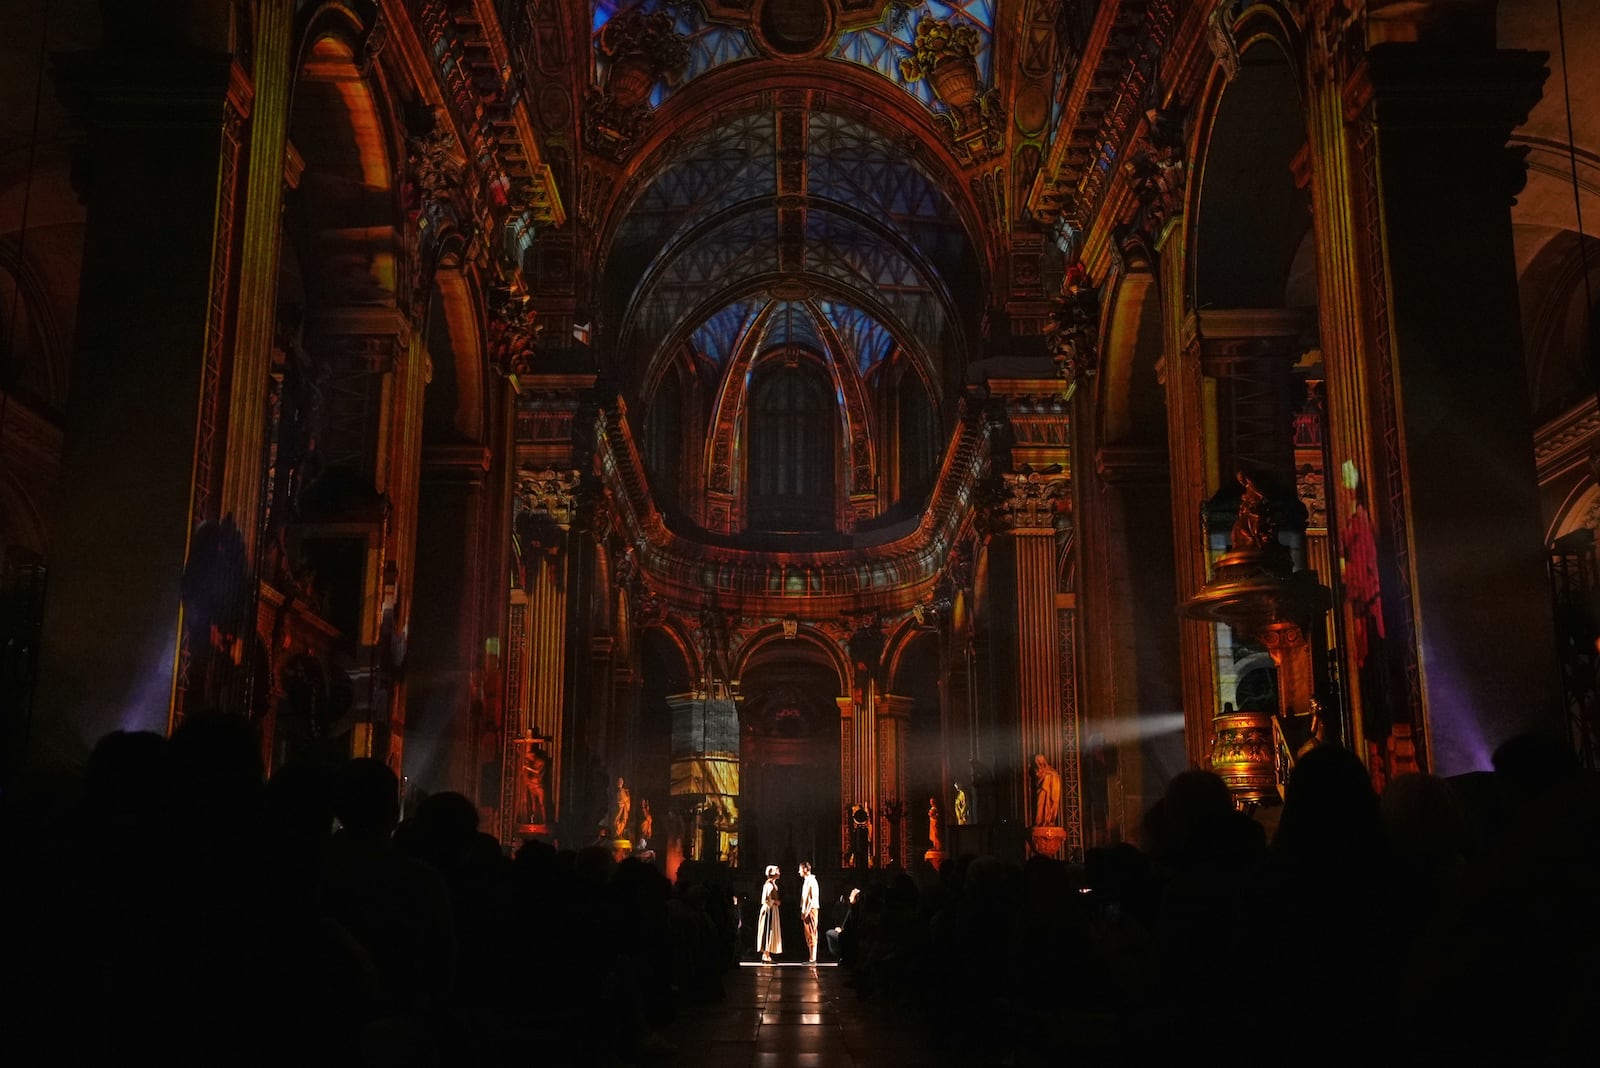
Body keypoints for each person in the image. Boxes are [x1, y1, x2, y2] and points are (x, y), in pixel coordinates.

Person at [757, 865, 783, 962]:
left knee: (770, 930)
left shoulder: (773, 884)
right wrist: (775, 902)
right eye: (777, 871)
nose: (779, 873)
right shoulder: (768, 885)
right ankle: (765, 954)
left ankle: (767, 954)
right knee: (767, 930)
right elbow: (766, 899)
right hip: (769, 909)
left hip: (772, 909)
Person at [798, 861, 820, 964]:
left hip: (811, 909)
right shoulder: (807, 881)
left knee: (812, 932)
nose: (799, 872)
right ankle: (811, 957)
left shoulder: (812, 881)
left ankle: (813, 958)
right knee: (808, 933)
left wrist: (807, 911)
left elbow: (813, 898)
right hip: (806, 910)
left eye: (800, 869)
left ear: (806, 869)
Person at [520, 743, 548, 825]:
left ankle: (544, 821)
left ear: (533, 756)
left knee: (542, 803)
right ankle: (535, 821)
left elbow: (538, 772)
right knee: (533, 805)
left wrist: (528, 768)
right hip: (532, 785)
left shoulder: (541, 762)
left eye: (529, 757)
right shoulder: (531, 763)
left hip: (538, 785)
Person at [1032, 753, 1062, 827]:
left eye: (1041, 760)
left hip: (1050, 790)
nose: (1040, 761)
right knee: (1040, 806)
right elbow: (1038, 775)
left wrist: (1050, 774)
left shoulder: (1050, 769)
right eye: (1039, 760)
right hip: (1042, 790)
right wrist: (1047, 774)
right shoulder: (1037, 769)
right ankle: (1039, 822)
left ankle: (1048, 820)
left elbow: (1055, 775)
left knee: (1049, 805)